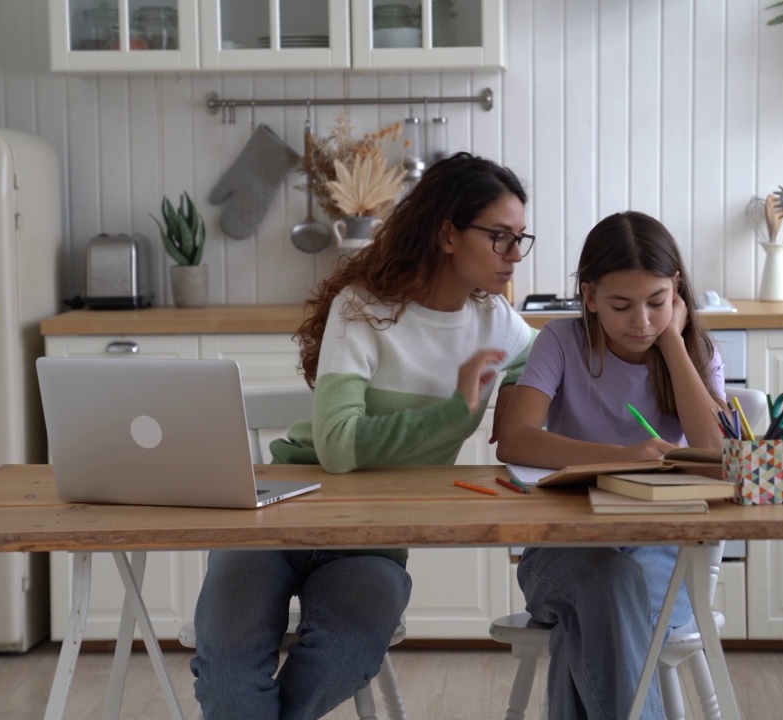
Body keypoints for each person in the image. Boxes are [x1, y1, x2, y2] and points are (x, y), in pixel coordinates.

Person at [190, 152, 538, 720]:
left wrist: (517, 406)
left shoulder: (497, 321)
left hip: (373, 537)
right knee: (228, 668)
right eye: (499, 237)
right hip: (281, 508)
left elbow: (541, 366)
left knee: (346, 653)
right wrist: (455, 412)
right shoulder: (365, 307)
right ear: (448, 234)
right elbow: (338, 446)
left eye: (521, 238)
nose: (514, 255)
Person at [494, 210, 726, 720]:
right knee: (605, 587)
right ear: (591, 296)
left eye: (657, 303)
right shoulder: (561, 342)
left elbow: (718, 457)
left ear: (678, 292)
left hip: (664, 556)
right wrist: (621, 458)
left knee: (594, 628)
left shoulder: (694, 353)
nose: (641, 321)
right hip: (564, 554)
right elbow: (514, 440)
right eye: (621, 305)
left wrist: (673, 344)